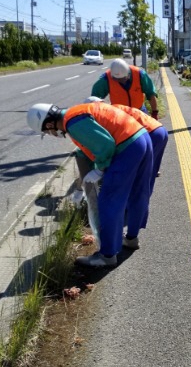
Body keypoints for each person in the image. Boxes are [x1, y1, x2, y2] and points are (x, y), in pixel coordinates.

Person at [27, 100, 154, 267]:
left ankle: (107, 256)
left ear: (49, 123)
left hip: (127, 147)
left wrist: (99, 169)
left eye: (47, 131)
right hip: (141, 137)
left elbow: (105, 145)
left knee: (109, 202)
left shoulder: (72, 123)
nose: (51, 134)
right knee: (138, 193)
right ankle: (131, 238)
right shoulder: (77, 112)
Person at [85, 97, 167, 192]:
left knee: (140, 175)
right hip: (158, 130)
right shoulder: (114, 108)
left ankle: (136, 203)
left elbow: (108, 144)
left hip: (149, 134)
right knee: (148, 173)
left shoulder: (104, 116)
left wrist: (100, 169)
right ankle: (141, 202)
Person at [90, 58, 159, 117]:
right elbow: (95, 99)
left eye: (123, 79)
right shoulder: (106, 78)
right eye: (118, 80)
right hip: (119, 115)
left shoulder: (140, 75)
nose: (122, 82)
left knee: (148, 131)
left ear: (128, 73)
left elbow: (151, 94)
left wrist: (154, 113)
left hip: (139, 110)